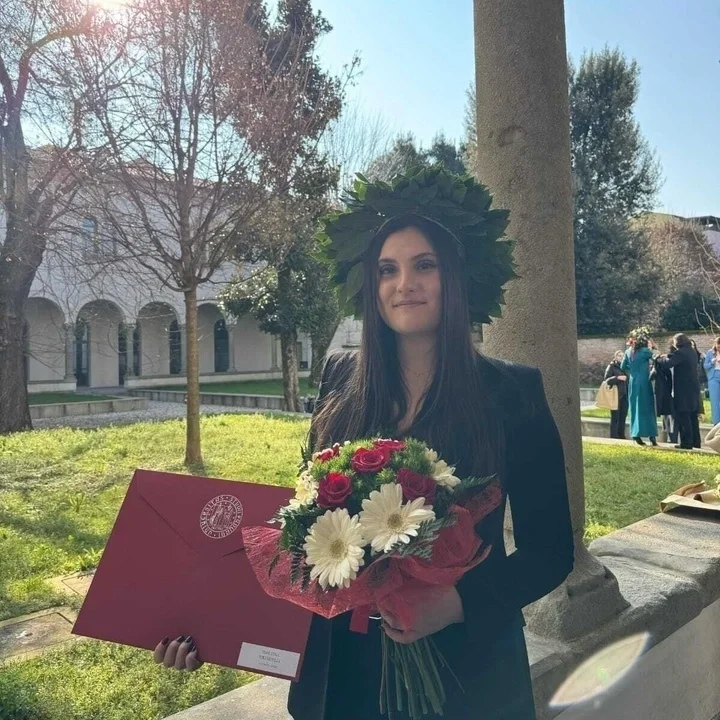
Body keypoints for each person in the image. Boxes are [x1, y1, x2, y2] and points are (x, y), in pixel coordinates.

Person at [153, 169, 575, 720]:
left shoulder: (512, 391)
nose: (405, 284)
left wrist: (456, 603)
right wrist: (205, 626)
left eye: (425, 265)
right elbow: (305, 528)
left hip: (465, 671)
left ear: (456, 277)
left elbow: (550, 552)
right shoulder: (339, 378)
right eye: (387, 269)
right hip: (341, 672)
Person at [656, 334, 702, 450]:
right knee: (692, 416)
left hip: (683, 390)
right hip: (693, 388)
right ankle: (696, 442)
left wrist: (659, 359)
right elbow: (677, 357)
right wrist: (668, 355)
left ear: (678, 342)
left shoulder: (680, 353)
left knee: (683, 415)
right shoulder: (691, 351)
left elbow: (668, 364)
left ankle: (686, 443)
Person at [621, 333, 658, 446]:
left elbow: (623, 366)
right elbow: (656, 358)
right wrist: (652, 348)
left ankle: (636, 434)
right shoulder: (645, 351)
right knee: (648, 407)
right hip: (644, 382)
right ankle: (652, 436)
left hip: (633, 382)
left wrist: (632, 369)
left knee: (635, 407)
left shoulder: (628, 352)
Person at [651, 346, 676, 444]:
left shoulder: (676, 364)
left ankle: (672, 437)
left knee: (672, 415)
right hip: (668, 393)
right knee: (667, 414)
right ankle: (670, 437)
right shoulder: (662, 366)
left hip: (675, 392)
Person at [604, 351, 629, 439]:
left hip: (625, 395)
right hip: (615, 395)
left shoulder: (626, 367)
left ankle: (621, 435)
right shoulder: (612, 366)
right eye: (619, 356)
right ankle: (614, 436)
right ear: (615, 357)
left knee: (623, 416)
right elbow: (607, 380)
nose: (621, 357)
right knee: (615, 417)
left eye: (622, 356)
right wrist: (617, 378)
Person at [704, 336, 720, 425]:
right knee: (714, 400)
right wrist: (712, 363)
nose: (719, 347)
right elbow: (705, 366)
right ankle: (716, 422)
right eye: (718, 345)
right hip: (713, 377)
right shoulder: (710, 353)